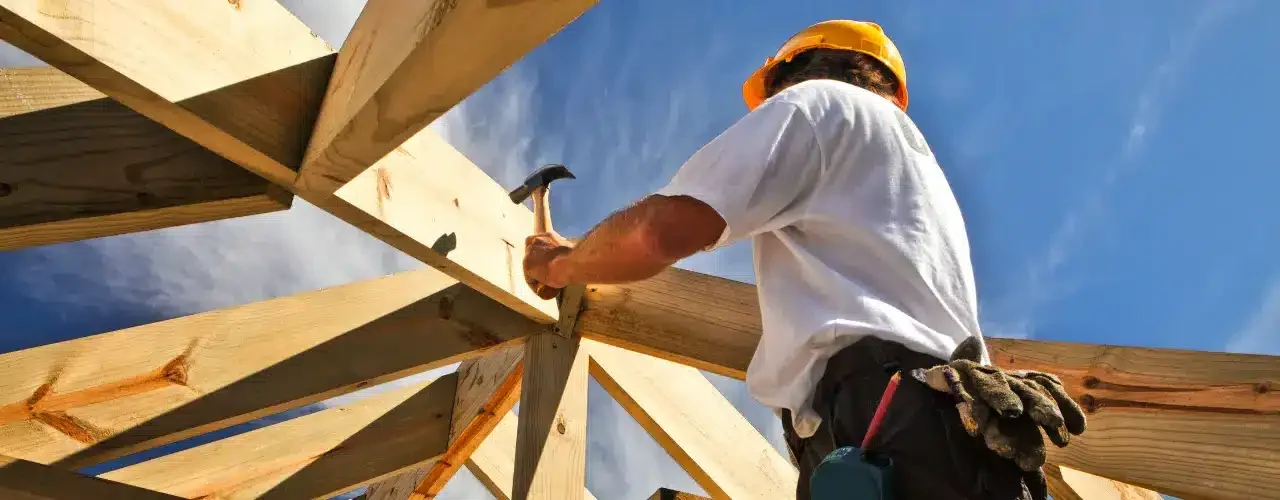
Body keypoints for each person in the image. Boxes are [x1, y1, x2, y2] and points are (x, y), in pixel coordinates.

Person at [522, 20, 1082, 500]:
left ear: (798, 72)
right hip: (951, 443)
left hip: (886, 429)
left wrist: (561, 263)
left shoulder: (820, 106)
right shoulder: (913, 175)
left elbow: (656, 232)